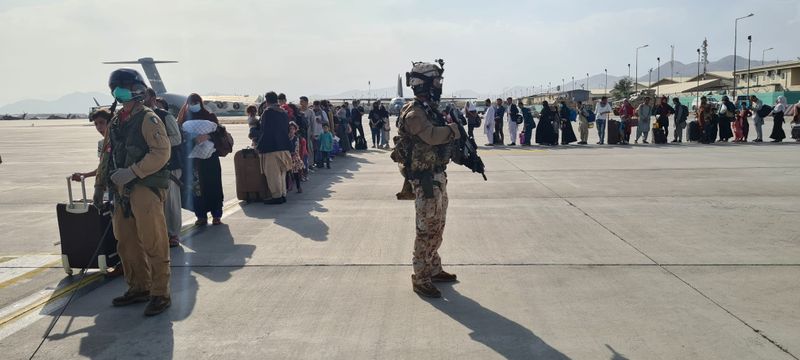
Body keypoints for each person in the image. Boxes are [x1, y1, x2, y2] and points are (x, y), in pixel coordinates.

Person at [96, 68, 171, 316]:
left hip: (144, 188)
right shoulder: (116, 121)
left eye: (125, 85)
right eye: (116, 86)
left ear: (137, 89)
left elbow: (161, 153)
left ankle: (160, 293)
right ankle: (139, 287)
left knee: (153, 241)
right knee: (126, 243)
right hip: (120, 192)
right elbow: (106, 156)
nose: (120, 90)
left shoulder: (149, 119)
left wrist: (133, 172)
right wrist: (99, 188)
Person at [392, 60, 461, 298]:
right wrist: (454, 130)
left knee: (438, 226)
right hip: (424, 181)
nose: (439, 85)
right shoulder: (415, 113)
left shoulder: (429, 108)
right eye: (437, 81)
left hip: (437, 176)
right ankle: (420, 277)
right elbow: (431, 136)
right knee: (426, 229)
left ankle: (433, 266)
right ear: (426, 84)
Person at [177, 93, 224, 226]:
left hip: (210, 159)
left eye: (196, 102)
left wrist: (208, 136)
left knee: (213, 185)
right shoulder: (183, 118)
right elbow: (180, 137)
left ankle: (216, 215)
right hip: (194, 161)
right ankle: (201, 216)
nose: (194, 105)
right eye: (191, 103)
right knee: (196, 189)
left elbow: (220, 133)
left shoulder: (209, 116)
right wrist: (193, 139)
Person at [145, 88, 183, 248]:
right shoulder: (137, 118)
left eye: (144, 96)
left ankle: (173, 234)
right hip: (147, 167)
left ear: (153, 98)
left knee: (171, 202)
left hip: (169, 166)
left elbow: (177, 138)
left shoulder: (165, 116)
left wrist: (158, 143)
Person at [257, 91, 293, 204]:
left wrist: (260, 145)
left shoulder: (267, 112)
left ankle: (277, 196)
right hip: (284, 146)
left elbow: (265, 131)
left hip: (271, 147)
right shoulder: (283, 112)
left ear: (266, 101)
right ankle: (283, 194)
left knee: (273, 174)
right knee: (282, 172)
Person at [72, 108, 112, 181]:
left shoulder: (119, 142)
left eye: (101, 122)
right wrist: (85, 175)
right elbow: (102, 167)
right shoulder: (101, 144)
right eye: (96, 124)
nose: (98, 127)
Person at [288, 122, 304, 193]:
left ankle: (298, 186)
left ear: (295, 130)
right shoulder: (286, 138)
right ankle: (288, 186)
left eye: (293, 129)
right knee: (287, 173)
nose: (291, 130)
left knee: (295, 173)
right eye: (290, 129)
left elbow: (296, 148)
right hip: (287, 157)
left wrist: (293, 153)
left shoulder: (296, 138)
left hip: (294, 157)